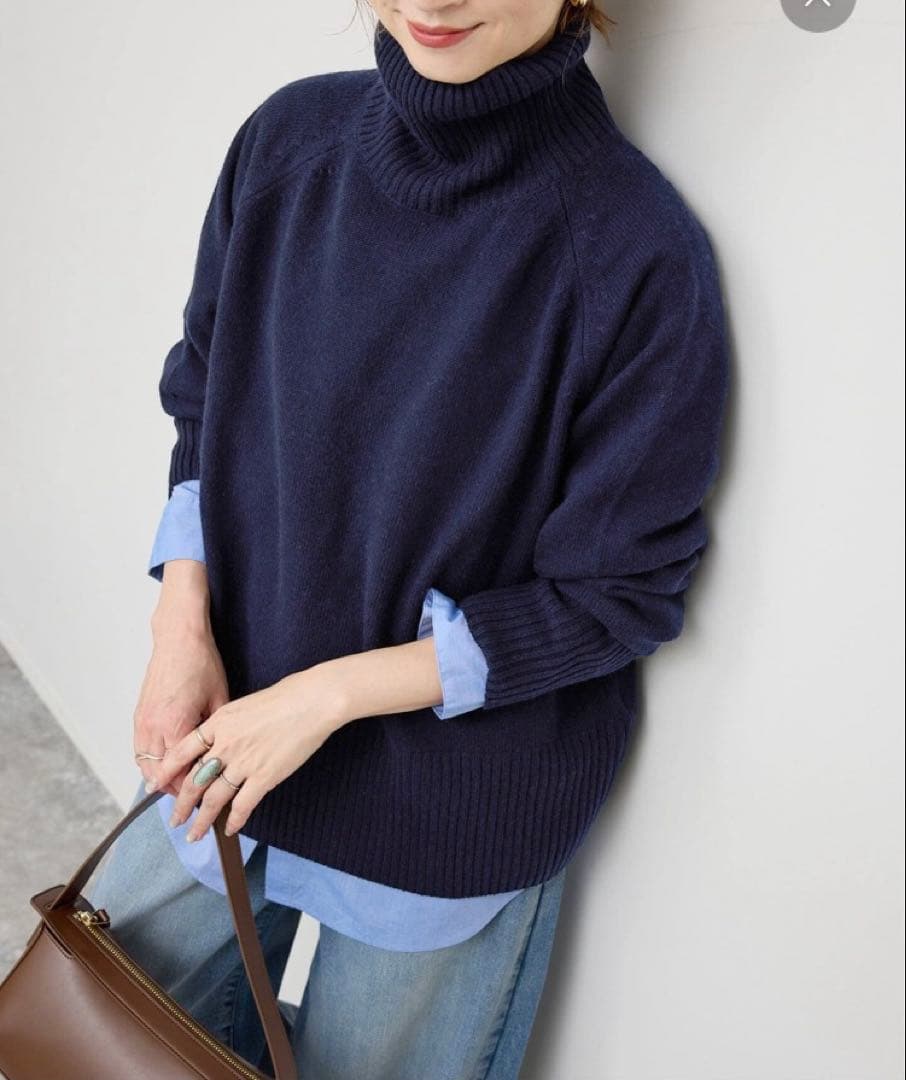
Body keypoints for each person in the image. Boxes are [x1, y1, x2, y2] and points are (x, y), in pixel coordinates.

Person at [87, 0, 730, 1077]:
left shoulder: (633, 251)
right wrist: (178, 624)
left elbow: (617, 594)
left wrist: (325, 697)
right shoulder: (287, 143)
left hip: (449, 813)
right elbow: (207, 393)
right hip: (228, 739)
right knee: (90, 1025)